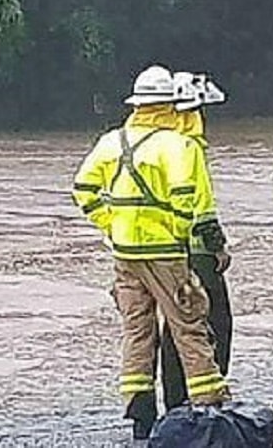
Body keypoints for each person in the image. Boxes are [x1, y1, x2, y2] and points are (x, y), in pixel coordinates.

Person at [72, 65, 231, 441]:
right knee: (190, 326)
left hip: (125, 253)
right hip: (165, 253)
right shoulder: (179, 146)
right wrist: (176, 234)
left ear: (138, 104)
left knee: (137, 330)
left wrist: (110, 224)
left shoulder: (112, 141)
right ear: (170, 105)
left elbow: (83, 189)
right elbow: (186, 200)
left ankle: (141, 415)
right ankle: (206, 411)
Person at [159, 72, 233, 412]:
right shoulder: (189, 149)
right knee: (215, 322)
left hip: (160, 251)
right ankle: (210, 397)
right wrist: (218, 247)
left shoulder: (152, 146)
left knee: (173, 325)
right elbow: (202, 207)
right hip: (196, 251)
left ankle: (174, 402)